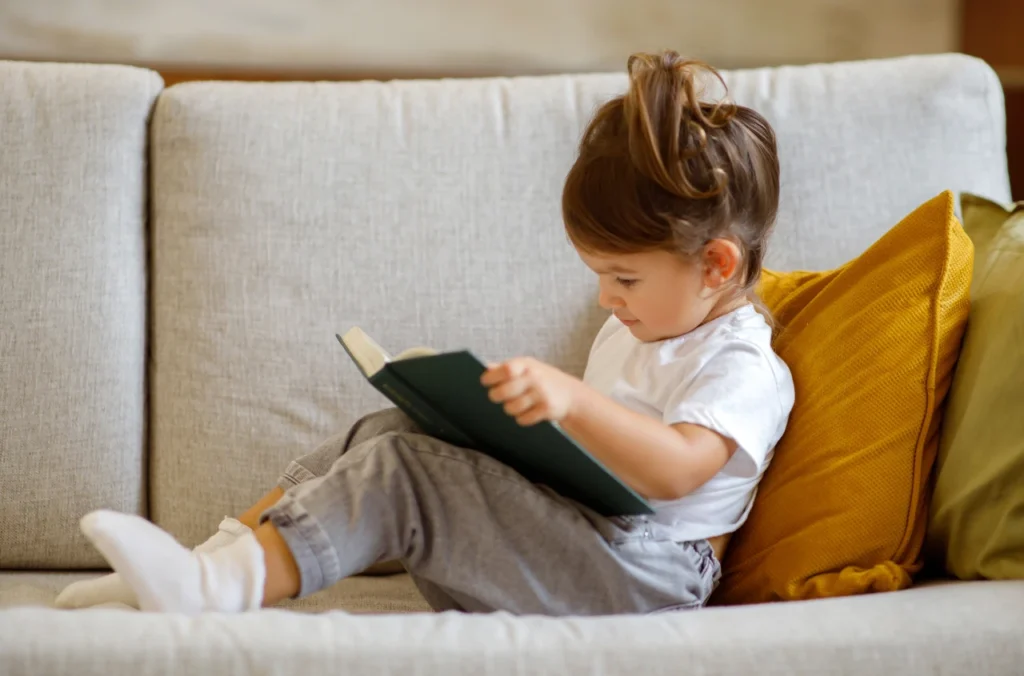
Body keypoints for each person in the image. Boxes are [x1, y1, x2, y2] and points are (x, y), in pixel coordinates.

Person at [56, 50, 794, 616]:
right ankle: (206, 561)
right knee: (390, 428)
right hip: (584, 539)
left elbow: (678, 470)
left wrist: (569, 402)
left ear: (717, 266)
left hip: (650, 577)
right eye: (600, 275)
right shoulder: (642, 327)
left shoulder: (742, 363)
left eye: (624, 278)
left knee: (406, 473)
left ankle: (215, 591)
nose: (606, 298)